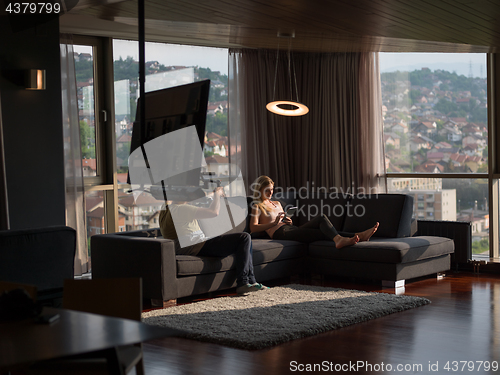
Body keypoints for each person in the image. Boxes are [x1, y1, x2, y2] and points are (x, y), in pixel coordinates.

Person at [159, 186, 269, 295]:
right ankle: (244, 282)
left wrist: (212, 194)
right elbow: (214, 212)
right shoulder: (182, 209)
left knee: (244, 241)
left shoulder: (165, 209)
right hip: (196, 245)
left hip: (185, 246)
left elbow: (200, 203)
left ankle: (251, 282)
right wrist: (217, 195)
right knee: (244, 238)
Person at [249, 176, 379, 248]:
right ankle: (351, 237)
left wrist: (289, 221)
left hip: (290, 229)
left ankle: (355, 236)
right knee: (322, 231)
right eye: (267, 190)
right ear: (260, 189)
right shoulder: (257, 206)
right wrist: (273, 223)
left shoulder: (277, 203)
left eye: (271, 189)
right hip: (279, 234)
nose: (270, 193)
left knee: (321, 218)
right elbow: (253, 228)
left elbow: (285, 221)